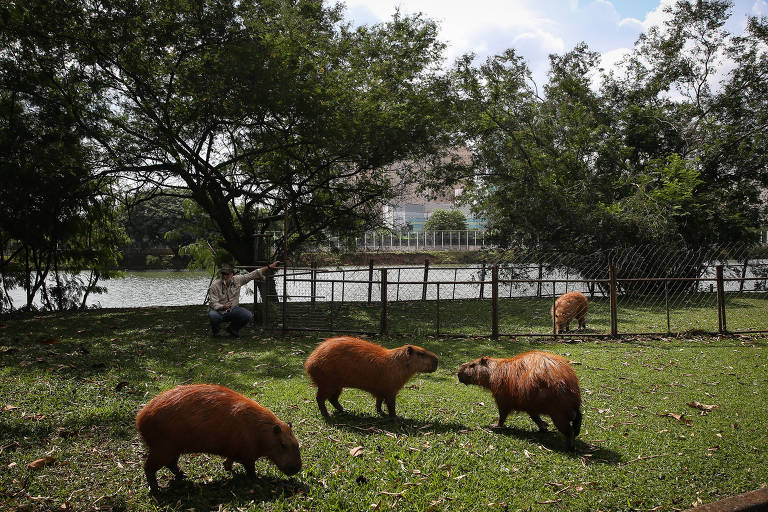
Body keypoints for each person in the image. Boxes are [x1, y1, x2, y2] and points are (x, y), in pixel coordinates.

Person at [208, 261, 280, 337]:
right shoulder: (215, 285)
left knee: (247, 315)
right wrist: (223, 307)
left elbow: (252, 274)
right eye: (223, 274)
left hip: (233, 310)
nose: (224, 276)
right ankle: (216, 332)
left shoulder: (238, 279)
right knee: (212, 315)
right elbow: (213, 303)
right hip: (219, 311)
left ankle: (232, 329)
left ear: (232, 274)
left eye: (227, 274)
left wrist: (269, 267)